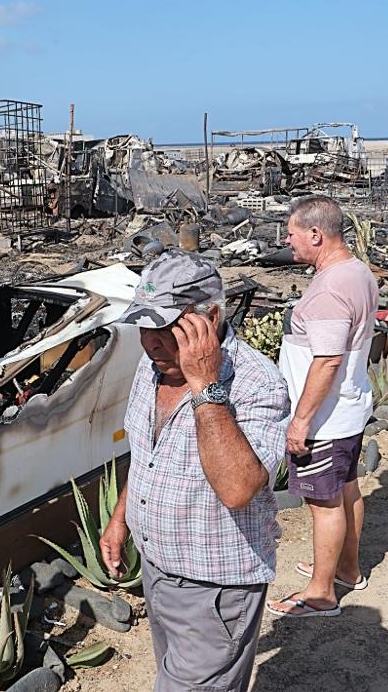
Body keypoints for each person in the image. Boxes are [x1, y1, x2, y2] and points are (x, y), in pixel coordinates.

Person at [99, 251, 290, 691]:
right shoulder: (154, 369)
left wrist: (205, 385)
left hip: (215, 585)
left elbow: (239, 488)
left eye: (166, 327)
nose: (151, 341)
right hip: (158, 567)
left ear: (211, 318)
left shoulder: (256, 383)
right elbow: (147, 453)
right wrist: (121, 518)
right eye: (144, 326)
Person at [267, 195, 378, 619]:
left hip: (326, 418)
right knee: (347, 488)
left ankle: (320, 594)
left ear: (316, 233)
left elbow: (328, 358)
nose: (288, 242)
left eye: (292, 233)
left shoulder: (331, 287)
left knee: (324, 503)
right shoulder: (356, 272)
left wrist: (301, 421)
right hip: (348, 406)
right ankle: (346, 570)